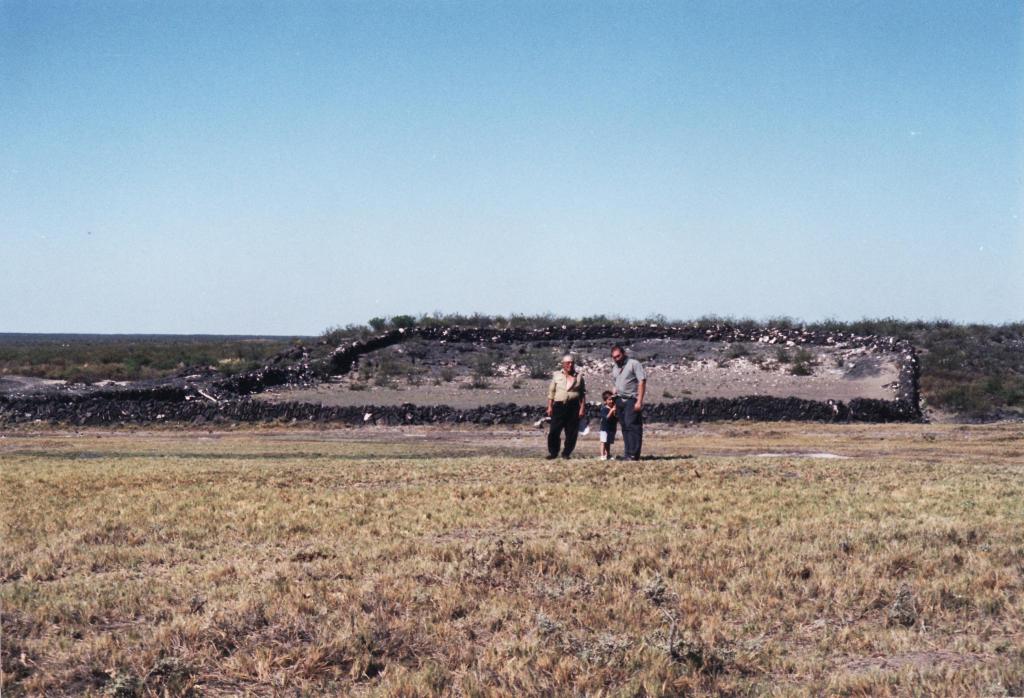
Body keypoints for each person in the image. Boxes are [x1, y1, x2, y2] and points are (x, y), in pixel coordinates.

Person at [610, 344, 646, 460]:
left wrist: (639, 401)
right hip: (620, 400)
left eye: (618, 356)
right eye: (614, 357)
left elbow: (642, 381)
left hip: (632, 399)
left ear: (624, 353)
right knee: (625, 426)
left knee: (633, 425)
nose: (616, 359)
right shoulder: (615, 368)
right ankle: (627, 453)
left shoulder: (634, 364)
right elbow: (616, 382)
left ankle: (634, 454)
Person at [546, 354, 586, 459]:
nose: (570, 364)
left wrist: (582, 408)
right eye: (568, 363)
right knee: (554, 430)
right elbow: (551, 392)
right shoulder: (557, 375)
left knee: (572, 432)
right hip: (559, 406)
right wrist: (549, 406)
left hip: (573, 406)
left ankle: (566, 453)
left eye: (572, 362)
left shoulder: (579, 377)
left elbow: (582, 394)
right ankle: (553, 453)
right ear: (563, 364)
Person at [598, 390, 618, 460]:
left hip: (611, 428)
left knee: (608, 442)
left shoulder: (614, 408)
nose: (611, 401)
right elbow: (606, 418)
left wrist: (614, 411)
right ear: (605, 401)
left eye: (612, 399)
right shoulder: (604, 409)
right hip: (604, 428)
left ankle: (608, 455)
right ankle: (602, 455)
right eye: (609, 400)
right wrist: (611, 411)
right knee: (603, 442)